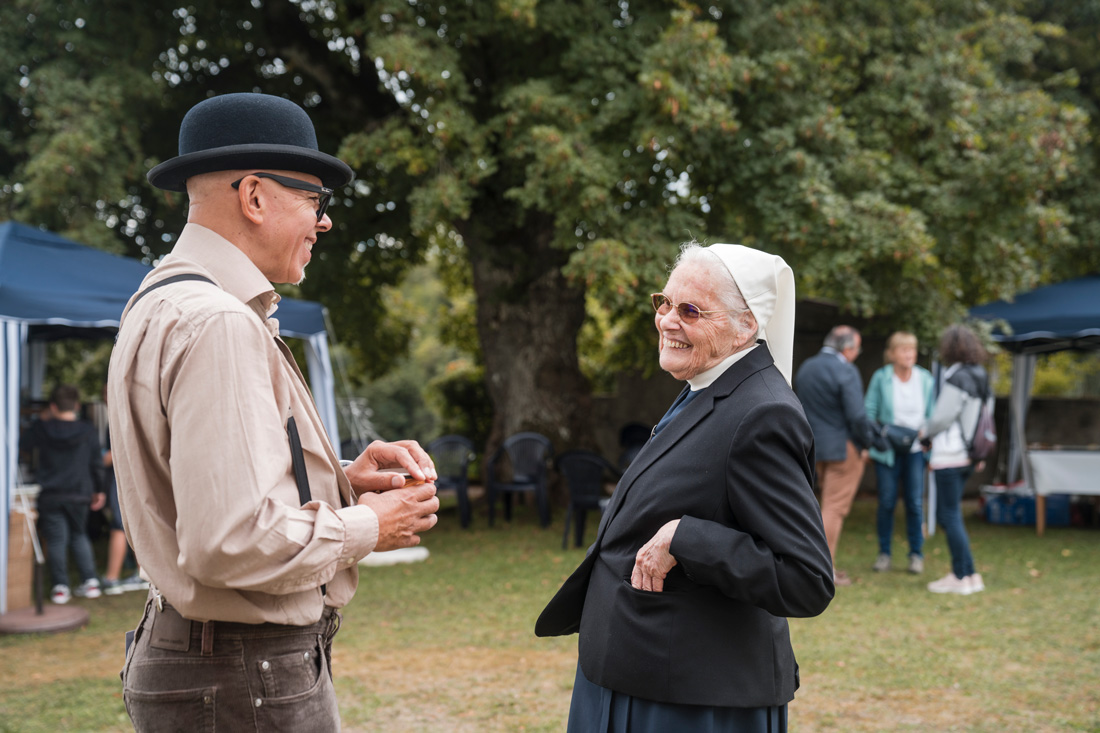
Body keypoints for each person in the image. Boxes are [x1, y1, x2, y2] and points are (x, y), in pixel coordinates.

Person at [108, 92, 440, 731]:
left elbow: (205, 491)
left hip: (215, 665)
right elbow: (228, 541)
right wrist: (369, 525)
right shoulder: (218, 324)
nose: (325, 222)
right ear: (255, 196)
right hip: (241, 671)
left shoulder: (160, 301)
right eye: (315, 200)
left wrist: (340, 478)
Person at [536, 242, 834, 732]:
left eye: (691, 310)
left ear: (746, 326)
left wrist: (687, 539)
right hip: (641, 672)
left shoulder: (763, 413)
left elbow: (807, 580)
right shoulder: (707, 382)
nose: (668, 321)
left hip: (690, 702)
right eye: (665, 302)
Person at [794, 325, 877, 586]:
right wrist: (866, 444)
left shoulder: (807, 366)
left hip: (814, 447)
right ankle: (824, 569)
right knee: (834, 509)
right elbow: (856, 415)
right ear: (848, 348)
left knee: (820, 506)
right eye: (857, 348)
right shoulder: (846, 369)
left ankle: (817, 565)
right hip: (844, 448)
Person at [920, 325, 990, 595]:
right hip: (970, 454)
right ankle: (971, 575)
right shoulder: (980, 375)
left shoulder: (957, 377)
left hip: (951, 454)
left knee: (949, 516)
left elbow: (942, 417)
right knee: (953, 515)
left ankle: (960, 576)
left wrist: (925, 434)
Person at [21, 384, 106, 604]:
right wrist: (99, 490)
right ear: (76, 405)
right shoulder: (87, 430)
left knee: (57, 539)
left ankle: (60, 588)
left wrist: (43, 418)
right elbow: (96, 463)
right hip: (80, 492)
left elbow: (23, 444)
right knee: (79, 535)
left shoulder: (42, 428)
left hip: (51, 493)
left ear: (52, 406)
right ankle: (91, 582)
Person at [864, 332, 935, 574]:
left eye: (912, 350)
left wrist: (929, 437)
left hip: (915, 450)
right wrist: (875, 441)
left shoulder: (925, 379)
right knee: (886, 502)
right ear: (892, 353)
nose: (909, 355)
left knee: (915, 503)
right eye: (904, 350)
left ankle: (916, 554)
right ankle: (884, 554)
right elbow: (869, 411)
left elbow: (932, 414)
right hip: (887, 452)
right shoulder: (881, 378)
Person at [99, 385, 147, 595]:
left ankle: (112, 578)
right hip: (137, 477)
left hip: (123, 479)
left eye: (107, 393)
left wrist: (98, 458)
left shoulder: (120, 417)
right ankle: (142, 573)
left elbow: (112, 455)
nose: (105, 398)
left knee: (119, 527)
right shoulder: (136, 413)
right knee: (134, 525)